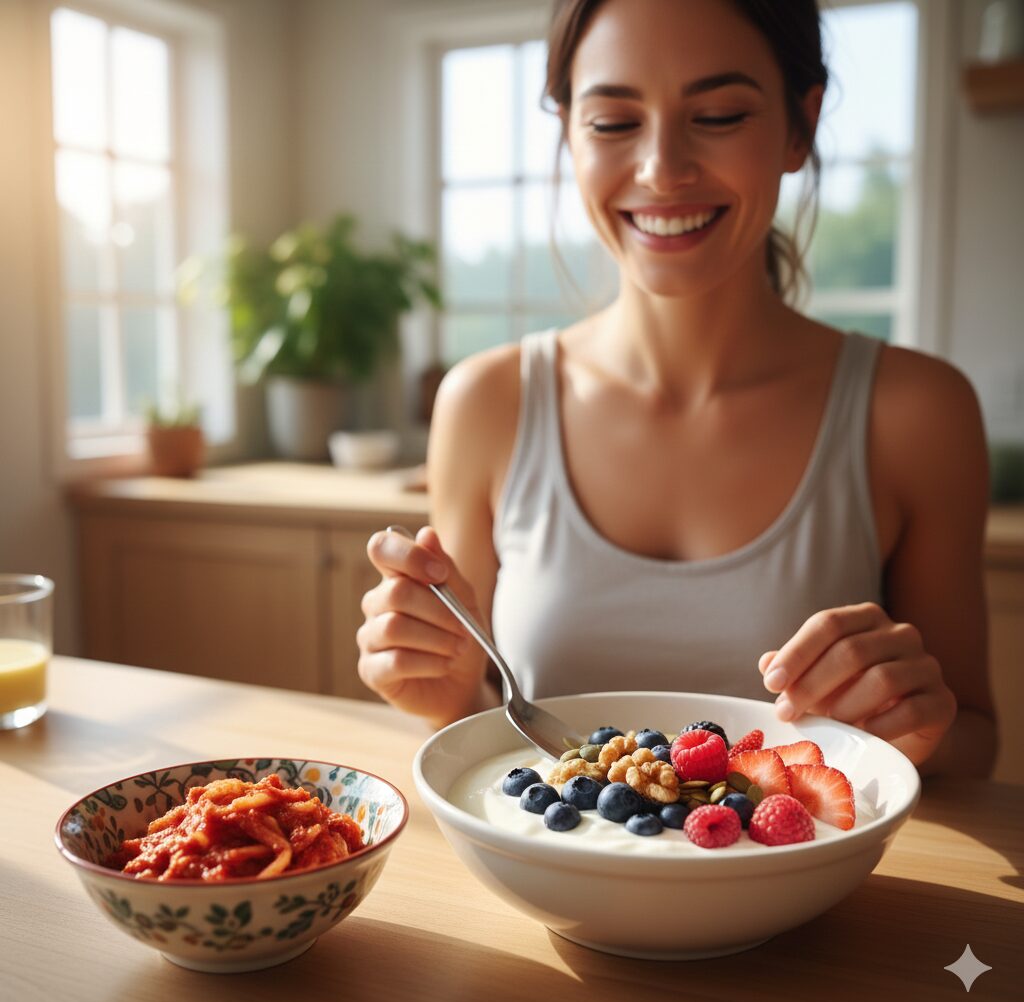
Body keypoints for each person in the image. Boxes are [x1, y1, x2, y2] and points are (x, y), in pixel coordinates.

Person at [356, 0, 997, 778]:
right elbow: (481, 736)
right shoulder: (485, 403)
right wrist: (442, 692)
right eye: (613, 123)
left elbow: (972, 743)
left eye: (720, 114)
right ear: (567, 132)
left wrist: (917, 731)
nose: (662, 168)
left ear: (802, 125)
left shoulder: (917, 413)